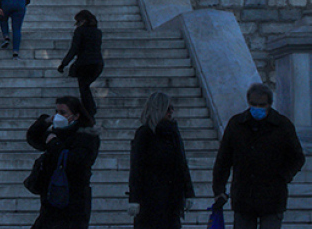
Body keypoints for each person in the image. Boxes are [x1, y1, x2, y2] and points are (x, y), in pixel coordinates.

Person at [212, 83, 306, 229]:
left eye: (261, 104)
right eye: (254, 104)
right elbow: (223, 159)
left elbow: (297, 157)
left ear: (269, 104)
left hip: (272, 197)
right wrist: (219, 190)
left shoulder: (282, 125)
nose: (257, 108)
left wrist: (283, 176)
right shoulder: (237, 124)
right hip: (243, 197)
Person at [26, 95, 101, 229]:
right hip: (52, 196)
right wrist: (46, 121)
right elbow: (33, 137)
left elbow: (78, 161)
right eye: (56, 112)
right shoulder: (57, 131)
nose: (58, 116)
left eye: (63, 113)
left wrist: (55, 144)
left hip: (73, 199)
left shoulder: (86, 137)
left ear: (76, 116)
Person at [128, 92, 195, 229]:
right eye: (167, 108)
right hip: (150, 197)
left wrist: (188, 192)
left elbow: (181, 163)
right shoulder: (144, 134)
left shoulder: (173, 133)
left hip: (171, 197)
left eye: (171, 108)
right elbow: (137, 167)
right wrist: (134, 198)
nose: (171, 112)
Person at [57, 10, 104, 116]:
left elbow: (74, 49)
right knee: (85, 87)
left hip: (84, 64)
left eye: (78, 21)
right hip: (98, 64)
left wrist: (64, 64)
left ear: (83, 21)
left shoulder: (80, 31)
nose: (77, 24)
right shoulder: (98, 32)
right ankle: (89, 109)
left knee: (84, 88)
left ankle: (90, 110)